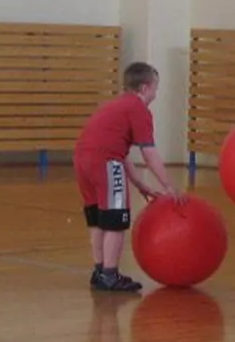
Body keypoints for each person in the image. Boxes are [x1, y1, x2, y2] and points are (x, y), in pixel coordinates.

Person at [74, 62, 178, 292]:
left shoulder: (116, 105)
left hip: (83, 160)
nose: (156, 93)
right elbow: (148, 153)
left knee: (98, 218)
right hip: (105, 163)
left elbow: (117, 150)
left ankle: (100, 270)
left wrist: (140, 183)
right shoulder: (139, 110)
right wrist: (169, 186)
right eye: (155, 88)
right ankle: (110, 275)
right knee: (115, 220)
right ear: (144, 88)